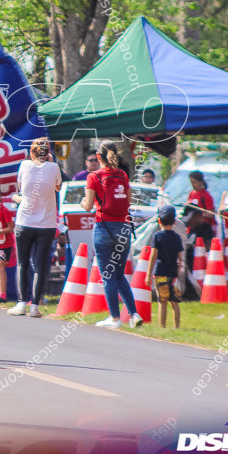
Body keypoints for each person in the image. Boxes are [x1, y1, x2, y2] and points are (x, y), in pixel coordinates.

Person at [80, 141, 142, 329]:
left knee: (108, 275)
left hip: (104, 227)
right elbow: (128, 200)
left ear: (99, 157)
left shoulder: (94, 177)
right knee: (119, 274)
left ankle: (115, 317)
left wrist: (83, 200)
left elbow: (89, 205)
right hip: (123, 227)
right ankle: (134, 313)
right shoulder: (122, 175)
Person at [10, 138, 62, 317]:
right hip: (46, 223)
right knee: (39, 265)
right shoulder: (54, 167)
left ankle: (21, 303)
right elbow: (57, 187)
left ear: (31, 153)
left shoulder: (24, 166)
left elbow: (20, 189)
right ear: (47, 154)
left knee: (22, 264)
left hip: (24, 220)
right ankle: (35, 306)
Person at [146, 206, 183, 329]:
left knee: (162, 301)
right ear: (175, 221)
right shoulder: (177, 237)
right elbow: (180, 257)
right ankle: (176, 326)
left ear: (159, 221)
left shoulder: (157, 237)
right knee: (175, 302)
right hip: (173, 272)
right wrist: (178, 272)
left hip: (161, 272)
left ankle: (162, 326)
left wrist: (148, 274)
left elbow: (154, 255)